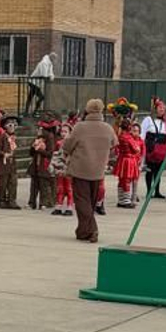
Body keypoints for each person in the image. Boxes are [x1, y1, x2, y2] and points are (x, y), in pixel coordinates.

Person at [59, 98, 114, 242]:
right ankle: (83, 231)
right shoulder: (107, 128)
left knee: (82, 202)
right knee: (90, 202)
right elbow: (114, 143)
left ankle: (92, 229)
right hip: (98, 170)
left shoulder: (80, 127)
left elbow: (67, 146)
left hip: (80, 169)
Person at [139, 100, 166, 196]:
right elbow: (142, 134)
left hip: (161, 150)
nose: (162, 109)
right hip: (151, 148)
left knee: (158, 170)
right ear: (155, 109)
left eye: (163, 108)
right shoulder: (148, 120)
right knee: (150, 170)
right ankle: (149, 190)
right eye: (160, 107)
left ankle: (157, 191)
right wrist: (140, 146)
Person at [28, 121, 58, 210]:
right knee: (34, 186)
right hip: (35, 164)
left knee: (43, 185)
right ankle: (31, 202)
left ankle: (43, 203)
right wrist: (33, 147)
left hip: (43, 165)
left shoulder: (50, 138)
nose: (38, 130)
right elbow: (31, 153)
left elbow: (49, 153)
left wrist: (39, 150)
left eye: (40, 128)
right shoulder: (37, 139)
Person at [114, 116, 143, 206]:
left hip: (122, 159)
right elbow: (136, 149)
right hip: (129, 160)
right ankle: (126, 201)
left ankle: (121, 199)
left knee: (121, 180)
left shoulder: (120, 136)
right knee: (127, 180)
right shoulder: (128, 138)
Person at [0, 117, 21, 208]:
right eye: (10, 125)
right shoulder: (2, 136)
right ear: (6, 127)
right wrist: (3, 154)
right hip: (4, 163)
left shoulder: (14, 137)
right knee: (3, 182)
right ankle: (2, 200)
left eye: (14, 125)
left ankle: (12, 200)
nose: (12, 127)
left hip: (12, 163)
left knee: (13, 182)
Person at [25, 50, 54, 117]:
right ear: (51, 57)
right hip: (33, 82)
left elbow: (51, 72)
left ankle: (28, 111)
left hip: (36, 83)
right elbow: (44, 74)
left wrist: (51, 76)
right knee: (41, 97)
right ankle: (34, 111)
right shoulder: (44, 63)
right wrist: (49, 76)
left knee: (31, 97)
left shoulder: (50, 63)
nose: (54, 61)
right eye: (54, 59)